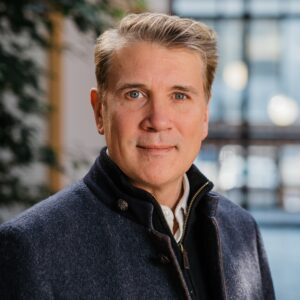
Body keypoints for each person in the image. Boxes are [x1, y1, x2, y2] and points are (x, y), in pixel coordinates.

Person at [0, 12, 275, 300]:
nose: (158, 120)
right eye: (135, 94)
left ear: (205, 115)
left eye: (179, 95)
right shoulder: (30, 248)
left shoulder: (242, 231)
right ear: (99, 111)